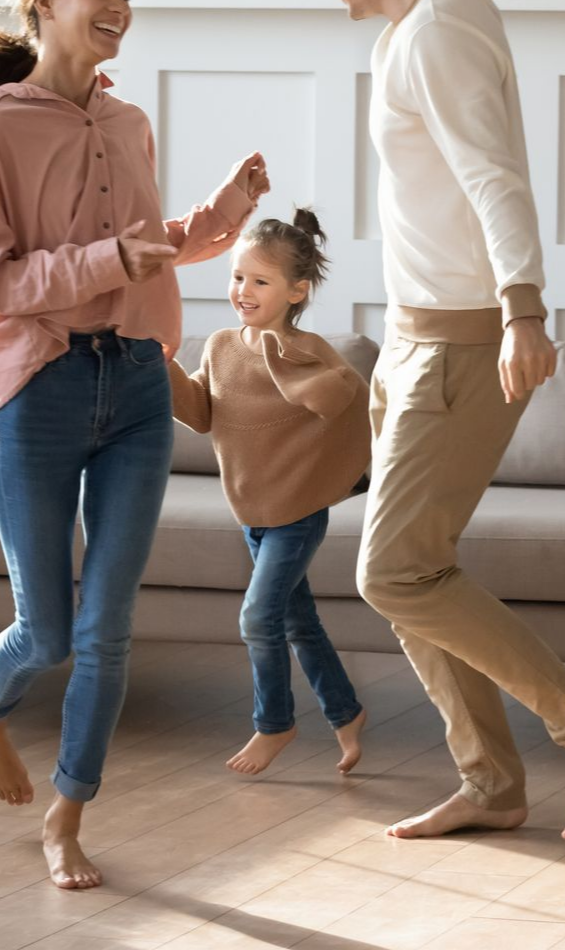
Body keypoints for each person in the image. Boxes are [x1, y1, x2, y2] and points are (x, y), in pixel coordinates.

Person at [284, 0, 565, 845]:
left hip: (463, 343)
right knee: (411, 569)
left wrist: (526, 311)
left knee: (393, 565)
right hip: (414, 340)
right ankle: (489, 780)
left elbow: (496, 179)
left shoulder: (435, 35)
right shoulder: (429, 7)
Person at [0, 0, 269, 889]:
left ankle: (67, 817)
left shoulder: (128, 125)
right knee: (44, 631)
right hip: (40, 391)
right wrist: (106, 262)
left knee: (105, 632)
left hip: (133, 383)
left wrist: (215, 218)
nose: (119, 3)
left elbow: (142, 245)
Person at [169, 210, 372, 778]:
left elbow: (338, 399)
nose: (243, 291)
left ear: (297, 290)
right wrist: (162, 369)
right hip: (250, 510)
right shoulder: (219, 345)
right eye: (238, 277)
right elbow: (202, 413)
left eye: (260, 281)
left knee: (258, 618)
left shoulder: (308, 350)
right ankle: (347, 713)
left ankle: (273, 722)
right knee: (296, 621)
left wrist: (281, 360)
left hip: (296, 512)